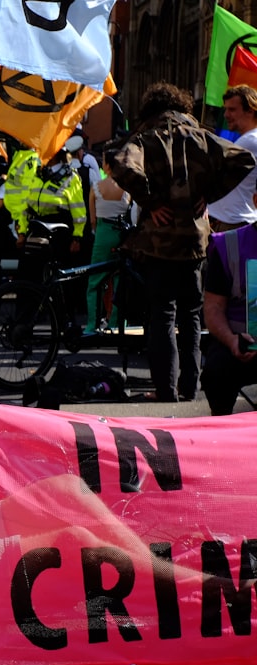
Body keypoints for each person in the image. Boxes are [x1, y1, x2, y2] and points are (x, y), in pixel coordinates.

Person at [113, 82, 255, 402]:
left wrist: (148, 201)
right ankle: (189, 389)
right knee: (191, 314)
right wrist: (208, 196)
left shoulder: (148, 136)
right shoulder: (201, 135)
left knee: (162, 313)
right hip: (195, 238)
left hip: (159, 242)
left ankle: (166, 391)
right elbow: (243, 161)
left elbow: (119, 161)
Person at [201, 212, 257, 415]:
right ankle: (222, 434)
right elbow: (213, 309)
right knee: (216, 372)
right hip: (239, 342)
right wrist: (232, 340)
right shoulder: (229, 245)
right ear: (256, 200)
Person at [84, 147, 131, 334]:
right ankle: (117, 323)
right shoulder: (127, 187)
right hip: (122, 235)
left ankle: (92, 325)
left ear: (106, 165)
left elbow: (93, 220)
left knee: (95, 281)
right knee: (120, 280)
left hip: (103, 233)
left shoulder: (96, 187)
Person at [208, 85, 257, 232]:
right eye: (226, 109)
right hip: (236, 221)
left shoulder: (249, 141)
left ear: (251, 110)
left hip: (232, 224)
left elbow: (212, 173)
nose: (225, 115)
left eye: (232, 109)